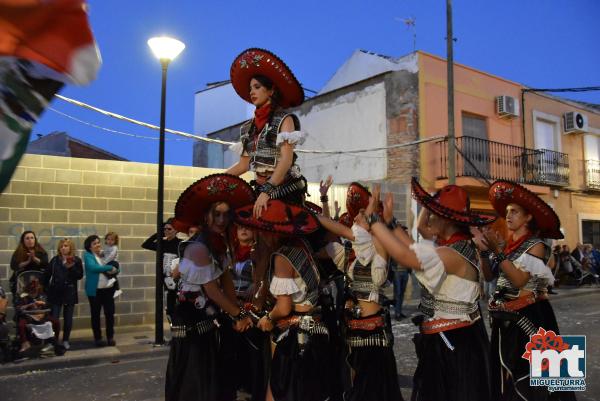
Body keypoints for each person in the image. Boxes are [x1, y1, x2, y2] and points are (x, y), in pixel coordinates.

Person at [367, 179, 494, 401]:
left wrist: (373, 221)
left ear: (446, 220)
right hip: (452, 339)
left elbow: (408, 257)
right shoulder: (456, 246)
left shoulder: (454, 253)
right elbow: (414, 248)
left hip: (454, 344)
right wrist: (390, 223)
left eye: (434, 213)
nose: (430, 218)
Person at [477, 180, 576, 401]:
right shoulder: (508, 246)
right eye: (507, 212)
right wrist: (485, 253)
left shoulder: (536, 245)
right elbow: (490, 276)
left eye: (515, 212)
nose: (508, 216)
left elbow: (520, 280)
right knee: (507, 376)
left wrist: (498, 253)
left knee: (535, 378)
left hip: (530, 318)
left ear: (528, 217)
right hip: (506, 320)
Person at [166, 173, 256, 401]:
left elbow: (226, 280)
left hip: (209, 320)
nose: (222, 220)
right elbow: (213, 290)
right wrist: (238, 315)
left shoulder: (221, 243)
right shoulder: (198, 248)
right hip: (191, 323)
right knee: (196, 385)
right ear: (206, 216)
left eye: (226, 214)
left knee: (217, 380)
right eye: (217, 214)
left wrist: (239, 311)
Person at [234, 199, 333, 401]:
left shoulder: (282, 257)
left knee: (279, 390)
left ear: (273, 231)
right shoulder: (302, 245)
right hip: (316, 327)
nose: (261, 235)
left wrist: (268, 318)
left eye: (263, 230)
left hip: (296, 334)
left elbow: (284, 307)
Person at [317, 182, 402, 401]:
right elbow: (330, 232)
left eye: (361, 217)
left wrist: (373, 207)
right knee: (355, 384)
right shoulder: (348, 257)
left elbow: (343, 229)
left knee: (373, 388)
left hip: (374, 331)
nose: (354, 219)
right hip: (352, 329)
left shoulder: (379, 252)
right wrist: (323, 202)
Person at [226, 48, 307, 217]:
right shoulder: (247, 128)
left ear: (270, 91)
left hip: (283, 189)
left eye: (257, 87)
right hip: (260, 189)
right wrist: (216, 179)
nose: (252, 92)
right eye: (250, 88)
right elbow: (243, 165)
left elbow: (286, 160)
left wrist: (268, 191)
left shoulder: (285, 119)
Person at [43, 238, 83, 350]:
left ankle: (66, 340)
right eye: (61, 246)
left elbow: (79, 276)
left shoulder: (76, 260)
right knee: (54, 318)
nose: (63, 248)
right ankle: (53, 341)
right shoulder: (55, 260)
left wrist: (71, 268)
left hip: (69, 292)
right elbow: (46, 275)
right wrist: (46, 290)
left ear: (70, 247)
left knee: (68, 318)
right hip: (55, 292)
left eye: (65, 245)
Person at [142, 219, 181, 321]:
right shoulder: (162, 243)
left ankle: (178, 330)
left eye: (169, 229)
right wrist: (158, 233)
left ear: (176, 230)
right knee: (167, 306)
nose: (166, 231)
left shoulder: (180, 244)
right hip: (163, 279)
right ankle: (173, 329)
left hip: (176, 279)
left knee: (176, 306)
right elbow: (145, 244)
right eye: (165, 229)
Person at [83, 234, 118, 347]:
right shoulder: (88, 255)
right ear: (89, 247)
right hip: (95, 291)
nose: (98, 245)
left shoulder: (104, 254)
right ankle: (98, 338)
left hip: (108, 290)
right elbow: (93, 268)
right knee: (95, 314)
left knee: (110, 314)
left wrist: (115, 269)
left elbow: (116, 265)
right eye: (94, 243)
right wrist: (109, 268)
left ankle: (110, 337)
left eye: (98, 242)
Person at [9, 231, 49, 301]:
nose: (30, 240)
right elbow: (13, 266)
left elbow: (45, 264)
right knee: (22, 305)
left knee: (38, 305)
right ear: (23, 241)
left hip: (37, 285)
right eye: (27, 238)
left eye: (32, 238)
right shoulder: (18, 252)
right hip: (22, 284)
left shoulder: (41, 252)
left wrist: (34, 258)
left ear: (35, 239)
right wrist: (27, 262)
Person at [101, 232, 122, 298]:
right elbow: (104, 253)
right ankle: (117, 289)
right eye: (108, 239)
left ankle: (112, 281)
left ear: (115, 241)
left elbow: (111, 256)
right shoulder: (106, 247)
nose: (109, 241)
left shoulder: (114, 247)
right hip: (108, 262)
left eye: (112, 240)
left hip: (114, 262)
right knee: (112, 276)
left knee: (106, 270)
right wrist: (100, 254)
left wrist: (104, 262)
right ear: (106, 240)